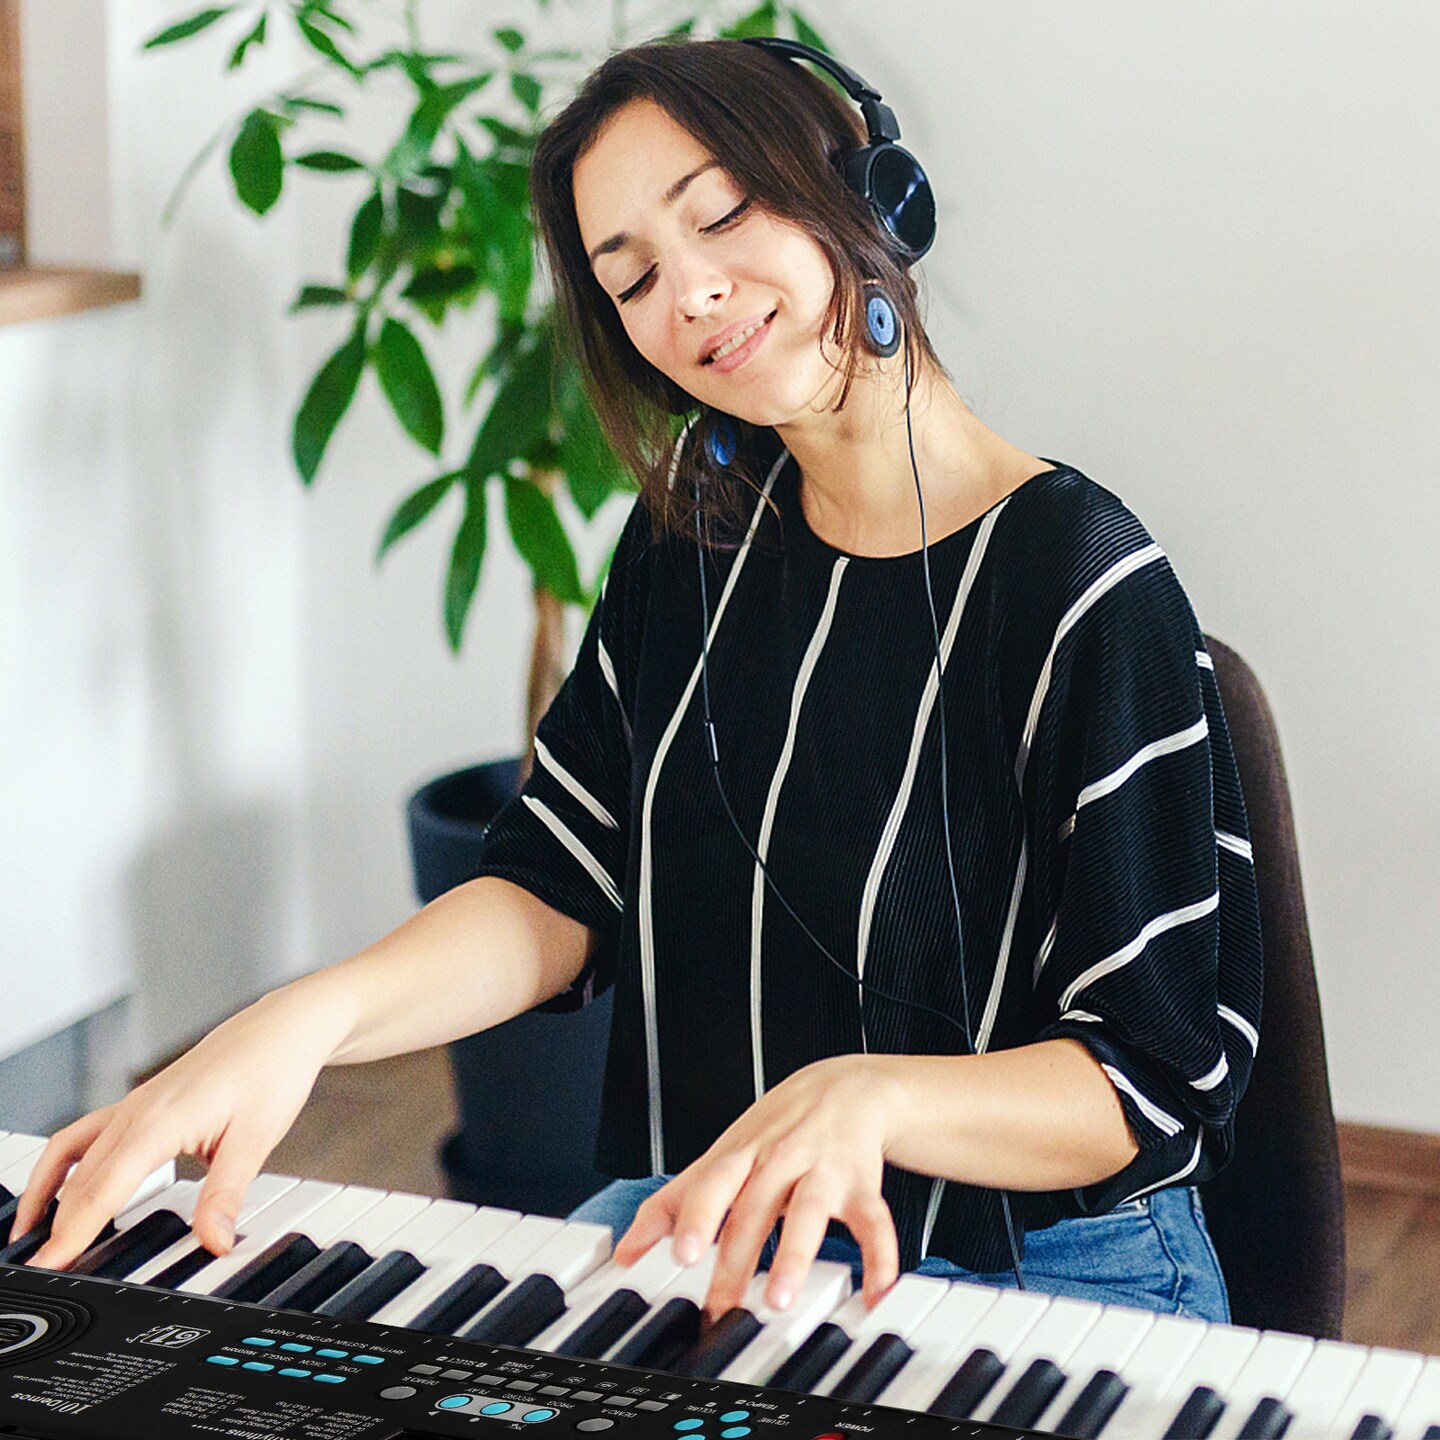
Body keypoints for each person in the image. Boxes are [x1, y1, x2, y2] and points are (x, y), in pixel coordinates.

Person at [13, 36, 1261, 1331]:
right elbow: (559, 883)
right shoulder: (691, 544)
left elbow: (1147, 1074)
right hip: (729, 1225)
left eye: (722, 213)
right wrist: (301, 1022)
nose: (692, 296)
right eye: (634, 278)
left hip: (1049, 1278)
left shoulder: (1082, 583)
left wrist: (870, 1097)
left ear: (874, 196)